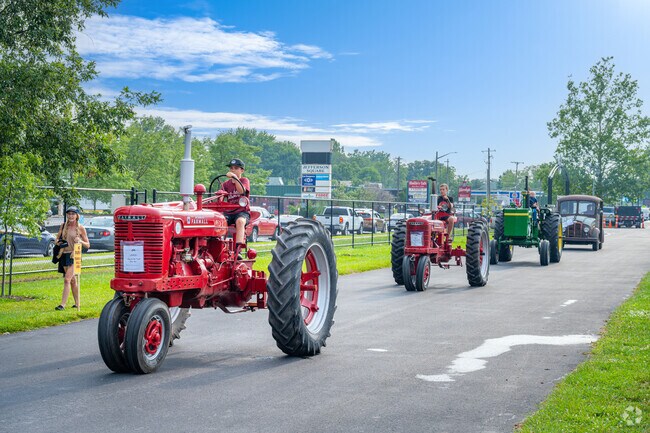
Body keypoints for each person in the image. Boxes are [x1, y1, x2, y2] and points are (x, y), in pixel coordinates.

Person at [55, 206, 90, 311]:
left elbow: (88, 245)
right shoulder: (63, 226)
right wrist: (58, 242)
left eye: (73, 214)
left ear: (77, 215)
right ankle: (77, 303)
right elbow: (56, 239)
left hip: (74, 255)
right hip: (64, 255)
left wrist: (80, 241)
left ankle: (62, 305)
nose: (71, 216)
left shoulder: (80, 228)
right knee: (72, 281)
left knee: (67, 280)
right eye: (69, 214)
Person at [221, 158, 251, 257]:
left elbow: (241, 191)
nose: (233, 170)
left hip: (241, 212)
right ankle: (219, 247)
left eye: (236, 168)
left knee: (240, 221)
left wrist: (234, 177)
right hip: (229, 213)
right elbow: (220, 197)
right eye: (231, 168)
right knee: (219, 221)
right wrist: (220, 195)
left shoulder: (244, 180)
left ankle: (238, 250)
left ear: (242, 170)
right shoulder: (226, 184)